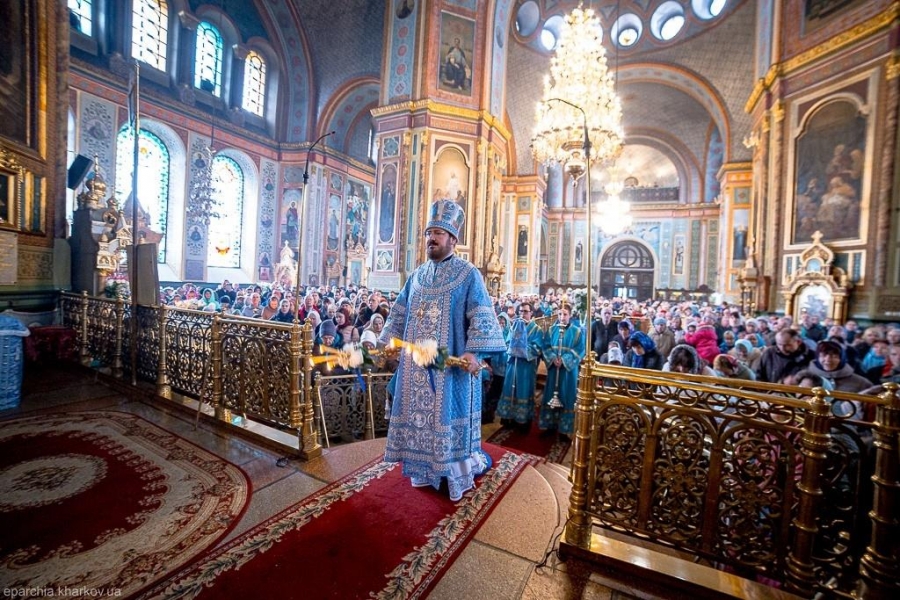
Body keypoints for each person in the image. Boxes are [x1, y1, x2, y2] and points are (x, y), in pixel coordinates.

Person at [378, 200, 505, 502]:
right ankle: (423, 469)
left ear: (453, 240)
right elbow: (399, 313)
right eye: (428, 233)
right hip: (415, 369)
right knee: (421, 420)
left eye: (438, 233)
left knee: (448, 418)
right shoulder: (418, 275)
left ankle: (455, 472)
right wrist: (385, 342)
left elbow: (482, 316)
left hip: (452, 371)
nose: (431, 238)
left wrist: (474, 352)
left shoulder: (468, 273)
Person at [538, 303, 584, 438]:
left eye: (565, 314)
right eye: (559, 314)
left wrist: (564, 360)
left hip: (568, 371)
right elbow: (545, 346)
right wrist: (553, 358)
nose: (562, 317)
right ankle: (550, 426)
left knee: (567, 395)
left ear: (570, 315)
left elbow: (580, 350)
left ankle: (564, 430)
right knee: (551, 394)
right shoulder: (551, 330)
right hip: (554, 369)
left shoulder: (577, 332)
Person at [496, 301, 543, 432]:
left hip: (526, 367)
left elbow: (537, 347)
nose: (522, 314)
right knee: (509, 389)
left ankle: (523, 421)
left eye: (525, 311)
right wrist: (512, 348)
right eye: (520, 311)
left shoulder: (537, 329)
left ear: (531, 313)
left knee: (523, 390)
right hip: (513, 364)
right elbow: (507, 341)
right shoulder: (514, 326)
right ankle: (508, 417)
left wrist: (521, 349)